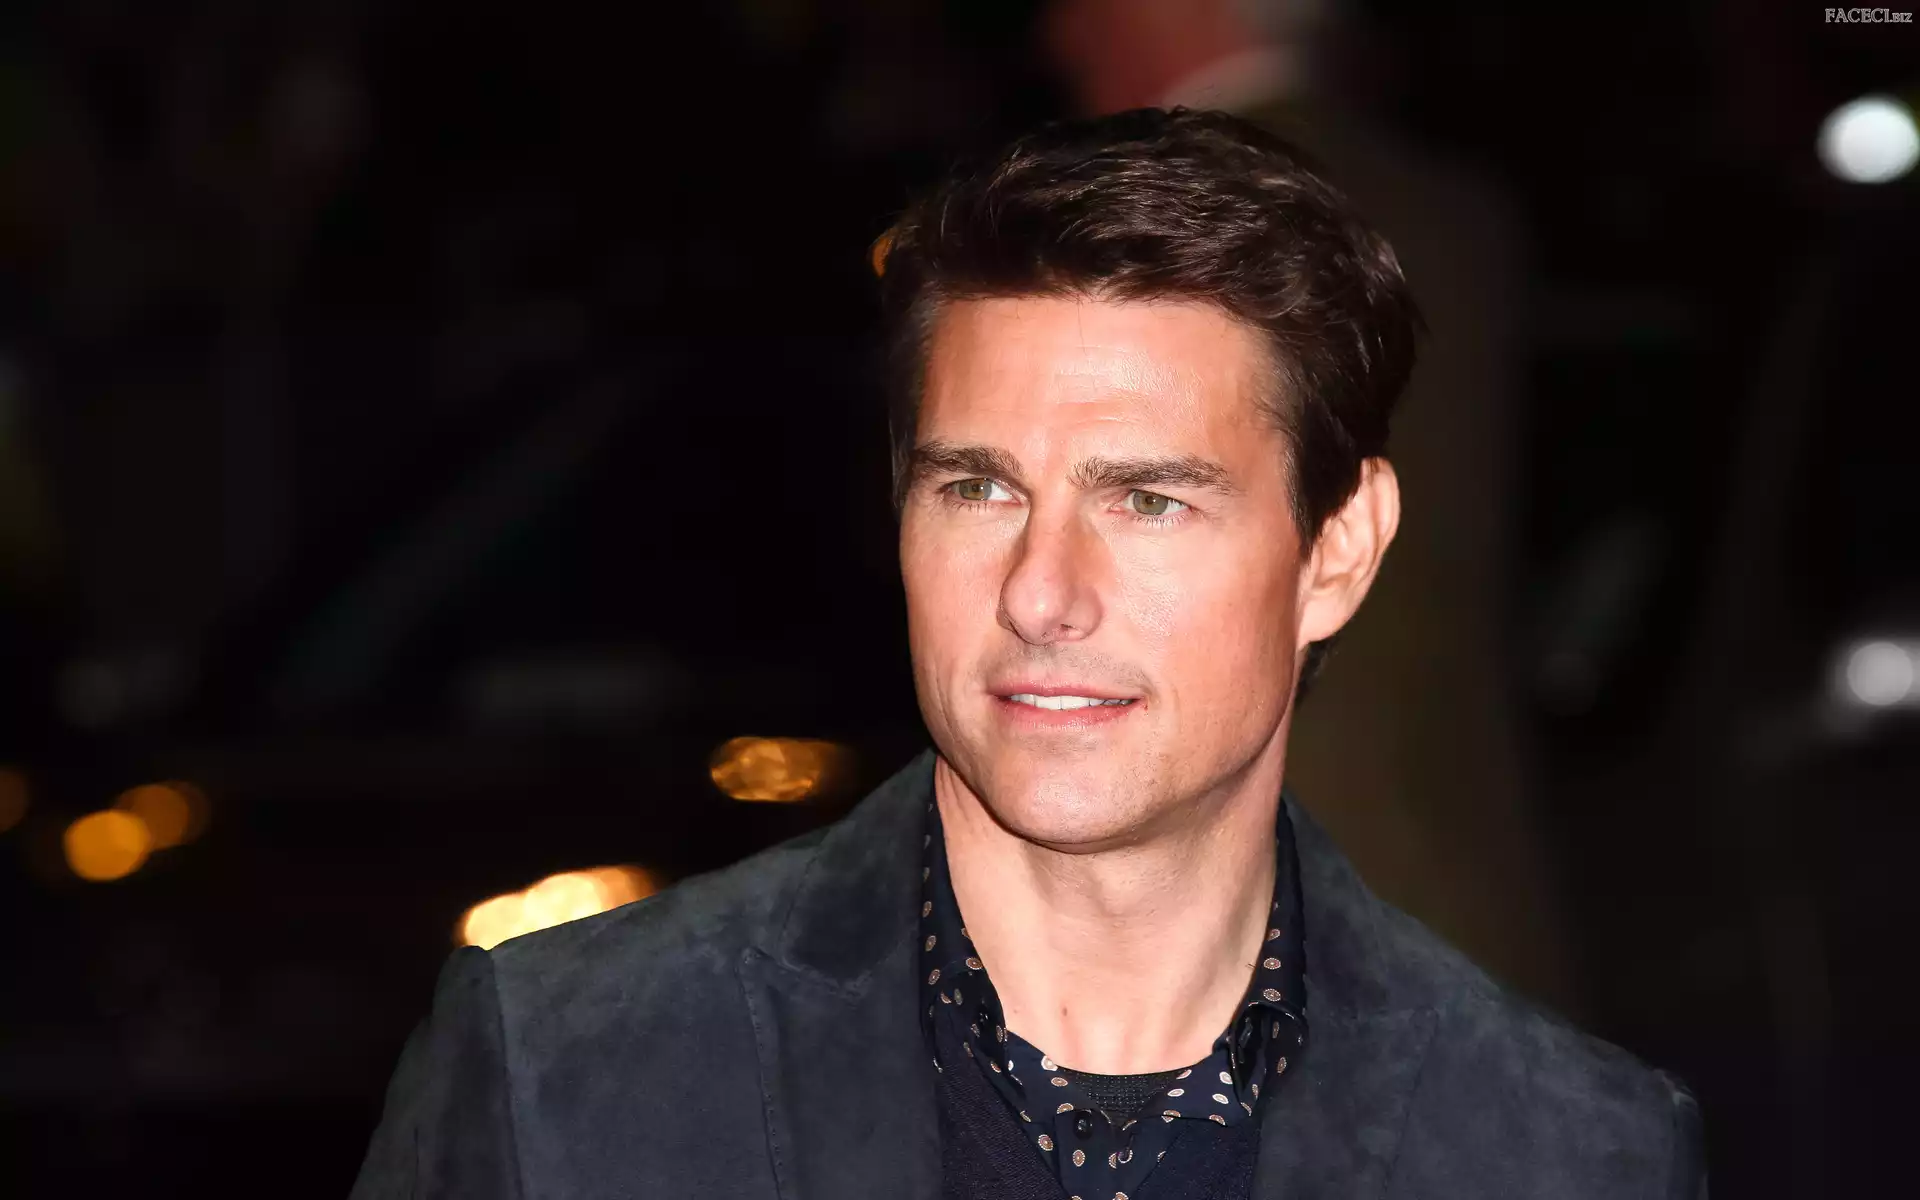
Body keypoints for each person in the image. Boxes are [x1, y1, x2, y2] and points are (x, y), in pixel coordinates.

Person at [349, 109, 1702, 1200]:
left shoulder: (1565, 1153)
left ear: (1337, 552)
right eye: (979, 489)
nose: (1042, 595)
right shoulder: (561, 1075)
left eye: (1149, 500)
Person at [1043, 0, 1569, 1008]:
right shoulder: (1446, 210)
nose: (1059, 31)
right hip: (1438, 868)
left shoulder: (1164, 219)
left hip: (1266, 917)